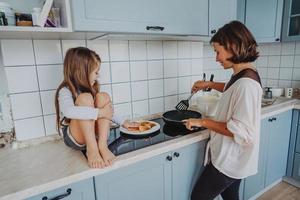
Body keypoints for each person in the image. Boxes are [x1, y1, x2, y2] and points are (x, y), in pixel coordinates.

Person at [184, 21, 262, 200]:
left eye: (218, 52)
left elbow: (243, 131)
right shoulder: (243, 74)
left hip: (231, 160)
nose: (216, 58)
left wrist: (202, 122)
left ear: (233, 47)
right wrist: (209, 84)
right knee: (231, 196)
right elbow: (231, 87)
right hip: (235, 159)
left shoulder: (247, 84)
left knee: (198, 197)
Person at [55, 47, 136, 169]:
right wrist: (100, 112)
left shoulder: (92, 88)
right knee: (85, 98)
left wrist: (124, 122)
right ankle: (92, 149)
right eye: (96, 72)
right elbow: (68, 111)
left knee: (103, 97)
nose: (98, 76)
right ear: (81, 71)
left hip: (94, 135)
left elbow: (106, 112)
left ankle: (102, 146)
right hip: (75, 137)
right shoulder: (65, 90)